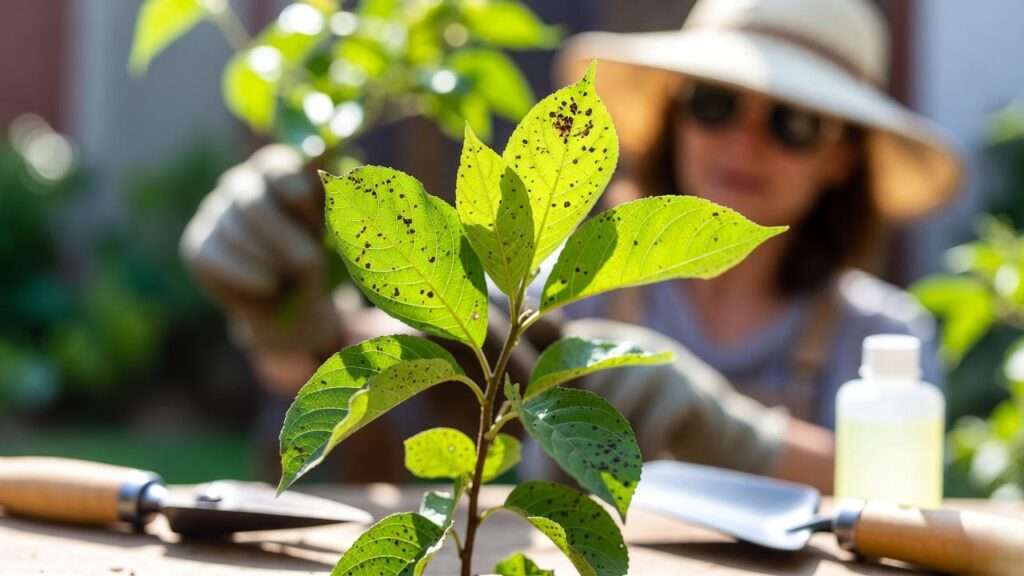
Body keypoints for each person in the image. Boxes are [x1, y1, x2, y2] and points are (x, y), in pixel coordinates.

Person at [181, 0, 960, 492]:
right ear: (676, 115)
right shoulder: (570, 277)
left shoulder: (878, 335)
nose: (744, 143)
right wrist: (286, 319)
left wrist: (716, 429)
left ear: (843, 156)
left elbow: (897, 501)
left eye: (792, 123)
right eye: (718, 104)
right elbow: (425, 356)